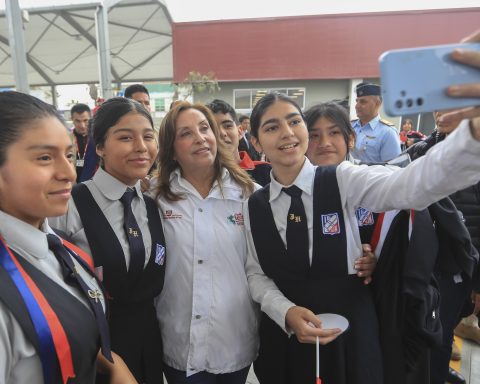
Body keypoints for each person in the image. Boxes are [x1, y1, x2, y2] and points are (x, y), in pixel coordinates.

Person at [244, 91, 480, 384]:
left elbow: (407, 186)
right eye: (272, 127)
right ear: (255, 142)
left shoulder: (343, 180)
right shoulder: (254, 204)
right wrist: (285, 312)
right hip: (286, 339)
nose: (287, 133)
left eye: (294, 121)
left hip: (352, 336)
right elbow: (255, 274)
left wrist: (470, 140)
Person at [0, 91, 135, 384]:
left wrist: (112, 367)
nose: (68, 173)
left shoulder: (60, 247)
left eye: (69, 155)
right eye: (45, 157)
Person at [50, 97, 165, 383]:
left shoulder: (151, 204)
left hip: (149, 344)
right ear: (99, 146)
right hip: (97, 351)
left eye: (148, 136)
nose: (141, 147)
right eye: (126, 137)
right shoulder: (70, 205)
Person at [152, 102, 258, 384]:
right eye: (185, 133)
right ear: (171, 148)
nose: (200, 137)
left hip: (234, 338)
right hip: (177, 339)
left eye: (204, 128)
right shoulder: (155, 198)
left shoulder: (249, 195)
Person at [206, 99, 271, 186]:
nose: (222, 133)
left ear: (239, 130)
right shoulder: (200, 178)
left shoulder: (266, 171)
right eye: (213, 128)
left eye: (228, 126)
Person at [351, 82, 401, 163]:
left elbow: (392, 168)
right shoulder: (350, 126)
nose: (357, 106)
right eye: (357, 101)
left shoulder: (388, 132)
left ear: (377, 103)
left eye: (363, 102)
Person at [70, 103, 92, 183]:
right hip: (73, 184)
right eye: (78, 121)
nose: (82, 125)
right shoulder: (66, 139)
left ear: (91, 119)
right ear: (72, 119)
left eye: (85, 120)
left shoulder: (97, 138)